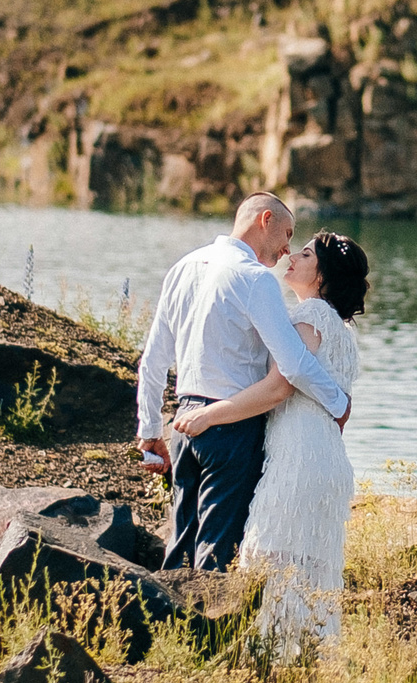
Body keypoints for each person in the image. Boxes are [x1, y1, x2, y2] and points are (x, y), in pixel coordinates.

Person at [171, 232, 368, 656]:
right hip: (328, 456)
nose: (292, 256)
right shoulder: (341, 330)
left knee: (269, 556)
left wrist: (209, 414)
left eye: (307, 254)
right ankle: (306, 655)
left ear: (323, 276)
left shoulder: (309, 316)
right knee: (309, 563)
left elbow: (279, 386)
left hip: (298, 455)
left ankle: (263, 655)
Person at [134, 193, 350, 572]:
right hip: (233, 428)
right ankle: (205, 632)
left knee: (180, 548)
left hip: (184, 425)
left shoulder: (183, 267)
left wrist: (151, 430)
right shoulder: (255, 280)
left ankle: (168, 626)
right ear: (264, 219)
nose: (287, 248)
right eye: (286, 233)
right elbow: (294, 365)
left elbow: (152, 361)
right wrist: (337, 402)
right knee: (216, 552)